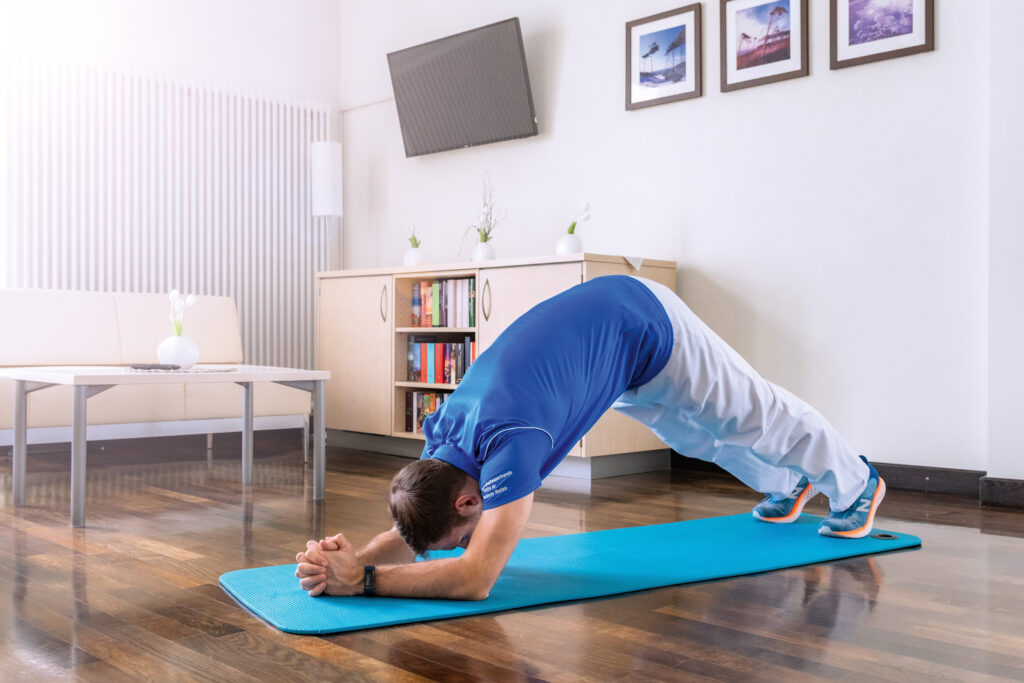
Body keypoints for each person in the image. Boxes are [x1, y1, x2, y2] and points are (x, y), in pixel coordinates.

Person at [295, 275, 886, 600]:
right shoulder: (441, 448)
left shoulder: (511, 443)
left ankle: (858, 482)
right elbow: (417, 528)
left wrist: (366, 581)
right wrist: (348, 561)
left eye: (462, 532)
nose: (464, 541)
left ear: (468, 501)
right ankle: (792, 480)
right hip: (614, 352)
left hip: (647, 322)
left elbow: (476, 578)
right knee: (698, 437)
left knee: (755, 412)